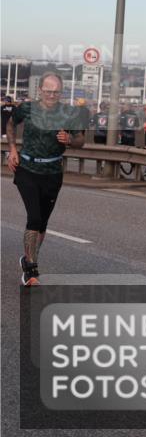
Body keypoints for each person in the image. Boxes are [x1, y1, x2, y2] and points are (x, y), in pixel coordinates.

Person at [6, 72, 86, 286]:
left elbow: (81, 140)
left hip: (52, 172)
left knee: (42, 223)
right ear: (40, 90)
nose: (52, 95)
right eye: (48, 91)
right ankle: (31, 270)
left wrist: (69, 139)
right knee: (33, 218)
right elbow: (10, 124)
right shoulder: (26, 108)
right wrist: (12, 149)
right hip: (27, 168)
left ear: (61, 92)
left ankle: (29, 258)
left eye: (56, 92)